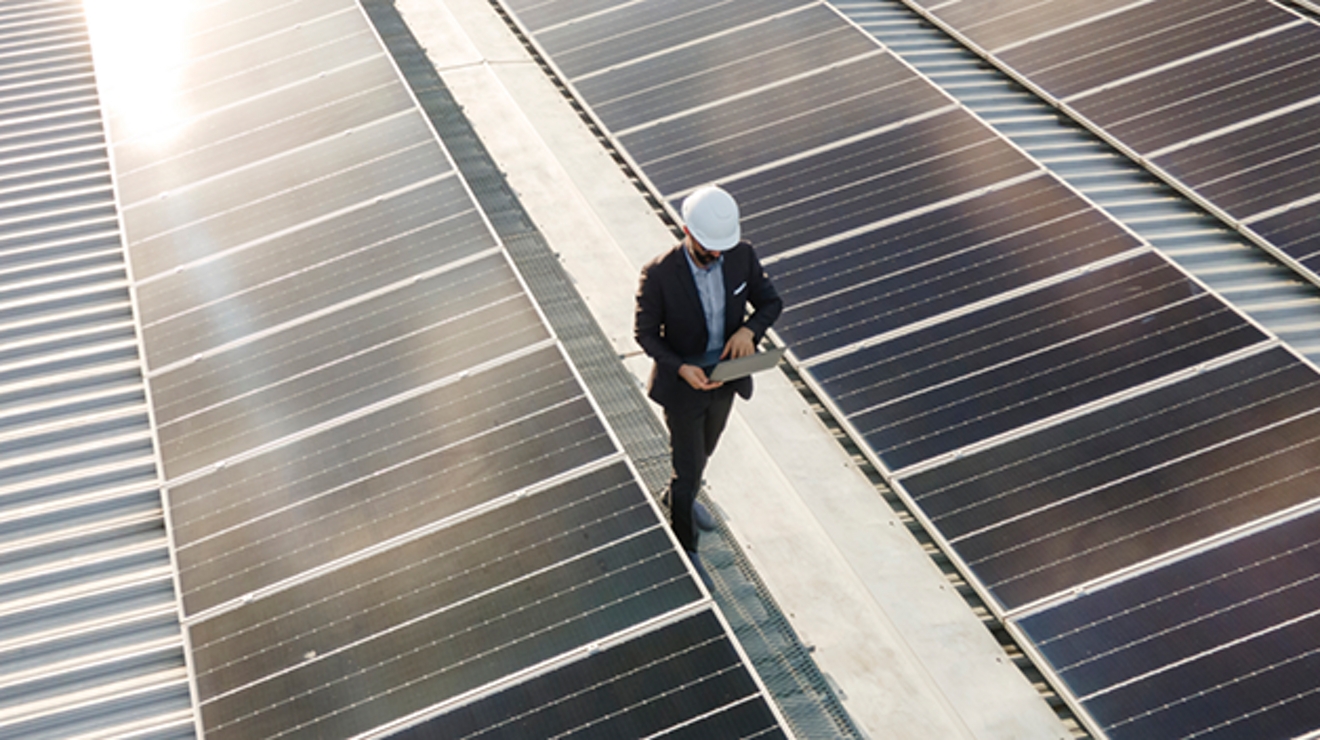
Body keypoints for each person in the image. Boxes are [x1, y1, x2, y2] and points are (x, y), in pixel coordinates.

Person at [634, 184, 782, 585]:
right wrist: (681, 368)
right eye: (707, 248)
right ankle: (687, 546)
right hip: (684, 388)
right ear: (687, 231)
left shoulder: (741, 256)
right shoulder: (660, 274)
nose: (716, 255)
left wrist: (749, 331)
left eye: (721, 248)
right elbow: (645, 335)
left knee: (705, 451)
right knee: (688, 468)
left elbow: (772, 303)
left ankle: (679, 494)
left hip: (726, 379)